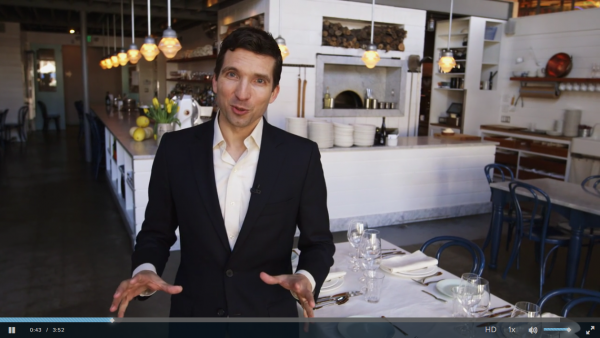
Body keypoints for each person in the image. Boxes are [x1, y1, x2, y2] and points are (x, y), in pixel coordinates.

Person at [109, 27, 335, 318]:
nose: (243, 93)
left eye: (259, 81)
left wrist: (307, 276)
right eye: (232, 75)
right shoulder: (175, 150)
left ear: (274, 92)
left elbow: (318, 242)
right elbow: (156, 231)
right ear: (215, 81)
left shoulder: (300, 156)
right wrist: (145, 269)